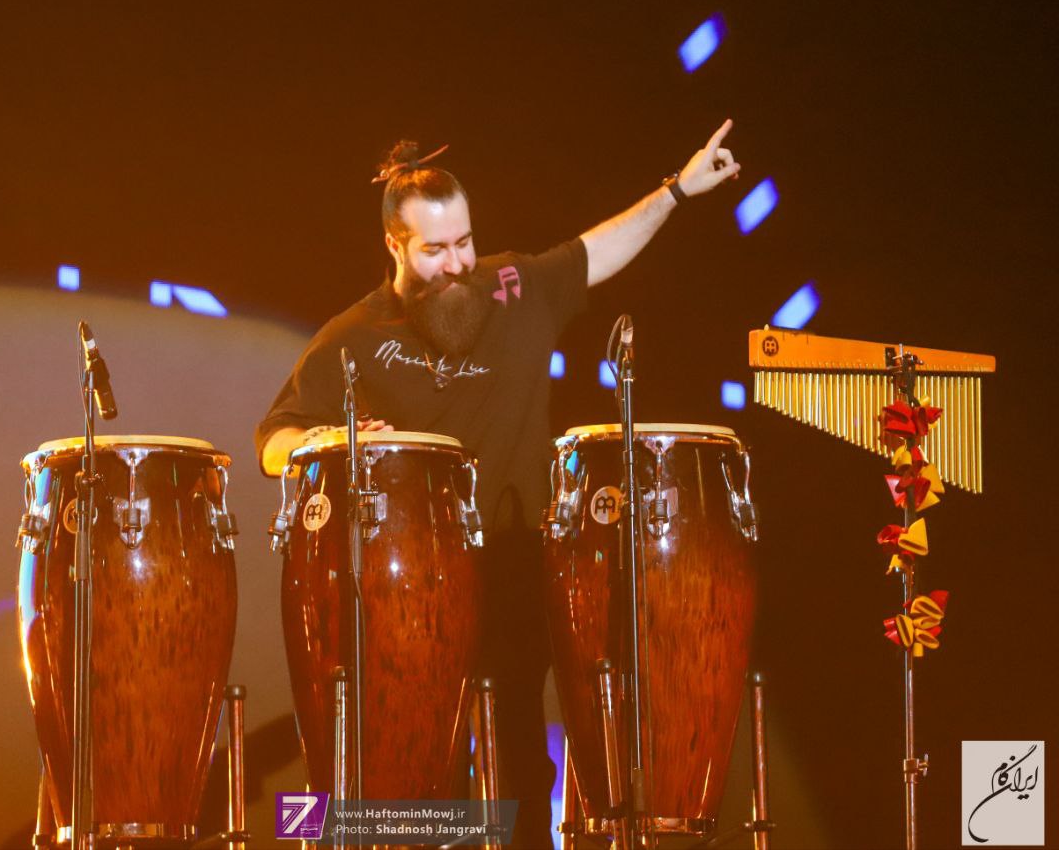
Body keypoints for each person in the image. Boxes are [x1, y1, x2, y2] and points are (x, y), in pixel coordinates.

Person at [256, 122, 741, 848]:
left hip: (518, 561)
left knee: (519, 756)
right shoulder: (353, 336)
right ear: (394, 245)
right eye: (436, 249)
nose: (458, 264)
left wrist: (677, 191)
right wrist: (322, 441)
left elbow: (595, 250)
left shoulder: (512, 286)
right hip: (413, 586)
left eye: (465, 242)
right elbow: (274, 440)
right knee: (433, 769)